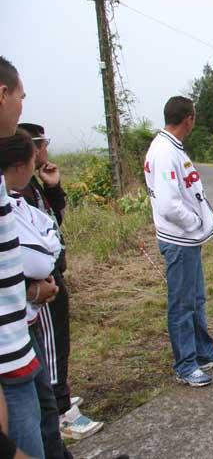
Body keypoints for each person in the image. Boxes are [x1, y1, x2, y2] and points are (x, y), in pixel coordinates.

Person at [17, 123, 103, 440]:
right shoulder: (17, 191)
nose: (47, 150)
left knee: (59, 346)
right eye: (44, 144)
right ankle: (61, 412)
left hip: (54, 276)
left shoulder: (34, 185)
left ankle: (59, 398)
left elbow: (53, 221)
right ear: (32, 147)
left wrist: (52, 187)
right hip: (42, 286)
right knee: (52, 350)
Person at [144, 96, 213, 387]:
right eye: (194, 116)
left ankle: (203, 350)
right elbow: (170, 204)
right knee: (182, 304)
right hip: (179, 240)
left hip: (187, 240)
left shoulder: (170, 148)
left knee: (195, 299)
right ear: (189, 119)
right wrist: (194, 223)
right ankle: (185, 365)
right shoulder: (165, 152)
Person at [0, 56, 57, 459]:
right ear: (3, 95)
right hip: (9, 360)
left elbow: (51, 235)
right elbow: (40, 256)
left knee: (47, 416)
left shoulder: (24, 192)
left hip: (18, 346)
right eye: (21, 96)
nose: (22, 104)